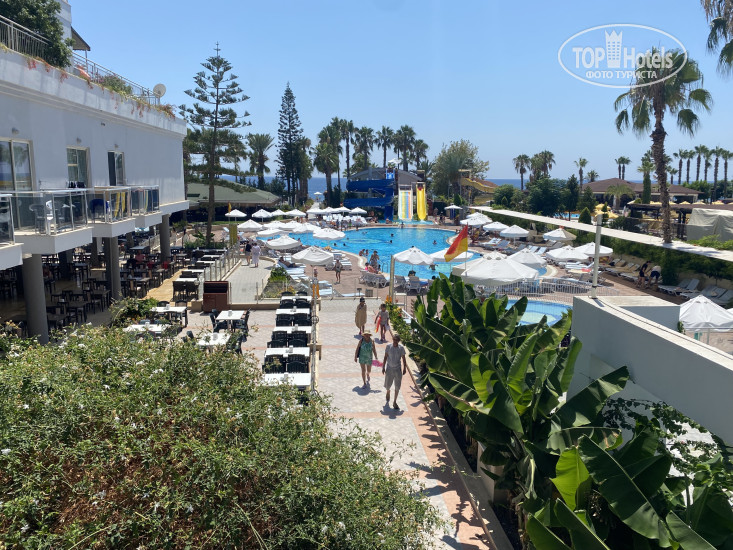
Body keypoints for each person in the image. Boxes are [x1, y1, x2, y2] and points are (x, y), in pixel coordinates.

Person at [382, 334, 407, 410]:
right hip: (389, 368)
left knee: (397, 386)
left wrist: (404, 368)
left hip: (397, 369)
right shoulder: (388, 346)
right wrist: (383, 367)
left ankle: (395, 401)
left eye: (396, 340)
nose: (395, 341)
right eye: (394, 339)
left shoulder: (401, 348)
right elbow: (385, 357)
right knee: (387, 384)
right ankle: (388, 391)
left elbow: (403, 359)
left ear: (398, 341)